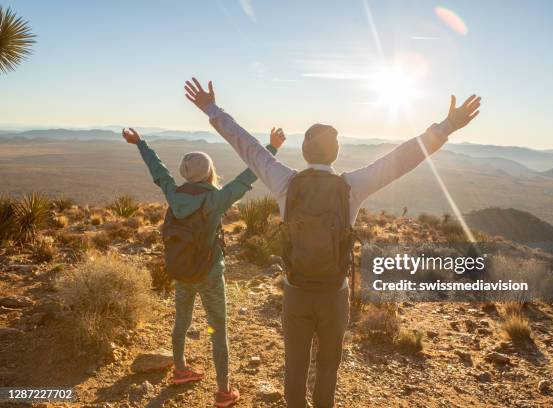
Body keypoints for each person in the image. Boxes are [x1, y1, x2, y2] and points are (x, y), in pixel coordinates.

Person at [183, 76, 481, 408]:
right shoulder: (351, 186)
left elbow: (247, 146)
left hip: (296, 292)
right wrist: (446, 126)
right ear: (336, 153)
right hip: (334, 294)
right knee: (328, 368)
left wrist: (211, 108)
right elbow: (401, 159)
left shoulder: (286, 182)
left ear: (305, 151)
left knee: (294, 367)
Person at [121, 125, 285, 407]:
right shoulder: (215, 199)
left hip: (181, 270)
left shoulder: (174, 194)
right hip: (209, 273)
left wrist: (140, 143)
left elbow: (159, 171)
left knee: (182, 320)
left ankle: (181, 370)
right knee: (216, 328)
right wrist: (271, 149)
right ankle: (224, 392)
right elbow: (248, 177)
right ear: (209, 172)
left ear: (186, 173)